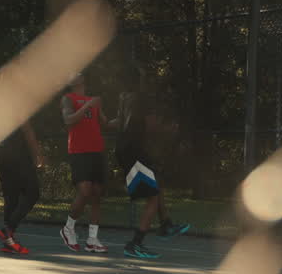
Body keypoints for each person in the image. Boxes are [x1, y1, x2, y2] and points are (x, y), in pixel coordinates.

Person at [116, 65, 190, 259]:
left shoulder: (123, 97)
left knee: (156, 184)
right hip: (132, 151)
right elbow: (151, 125)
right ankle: (135, 243)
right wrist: (169, 130)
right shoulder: (140, 97)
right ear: (137, 79)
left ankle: (166, 224)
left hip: (126, 149)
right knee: (153, 198)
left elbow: (120, 122)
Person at [60, 73, 114, 253]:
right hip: (79, 151)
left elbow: (105, 123)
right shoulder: (68, 99)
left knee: (97, 194)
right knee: (84, 191)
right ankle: (68, 228)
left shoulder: (94, 100)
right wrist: (89, 105)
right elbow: (68, 120)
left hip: (96, 151)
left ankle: (92, 239)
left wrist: (126, 118)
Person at [0, 122, 43, 254]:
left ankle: (8, 242)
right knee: (33, 193)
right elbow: (28, 132)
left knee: (11, 198)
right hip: (19, 157)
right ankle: (8, 230)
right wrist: (37, 155)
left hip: (2, 156)